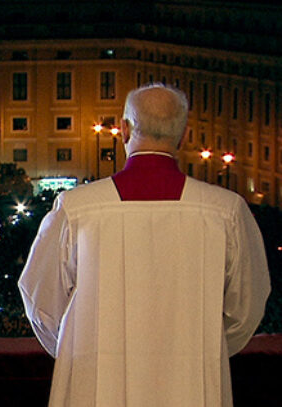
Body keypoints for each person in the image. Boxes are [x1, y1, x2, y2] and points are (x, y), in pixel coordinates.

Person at [19, 84, 270, 407]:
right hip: (192, 379)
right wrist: (204, 345)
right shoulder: (225, 211)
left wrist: (79, 347)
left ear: (124, 130)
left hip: (97, 380)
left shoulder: (76, 208)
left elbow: (41, 298)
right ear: (183, 134)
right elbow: (246, 307)